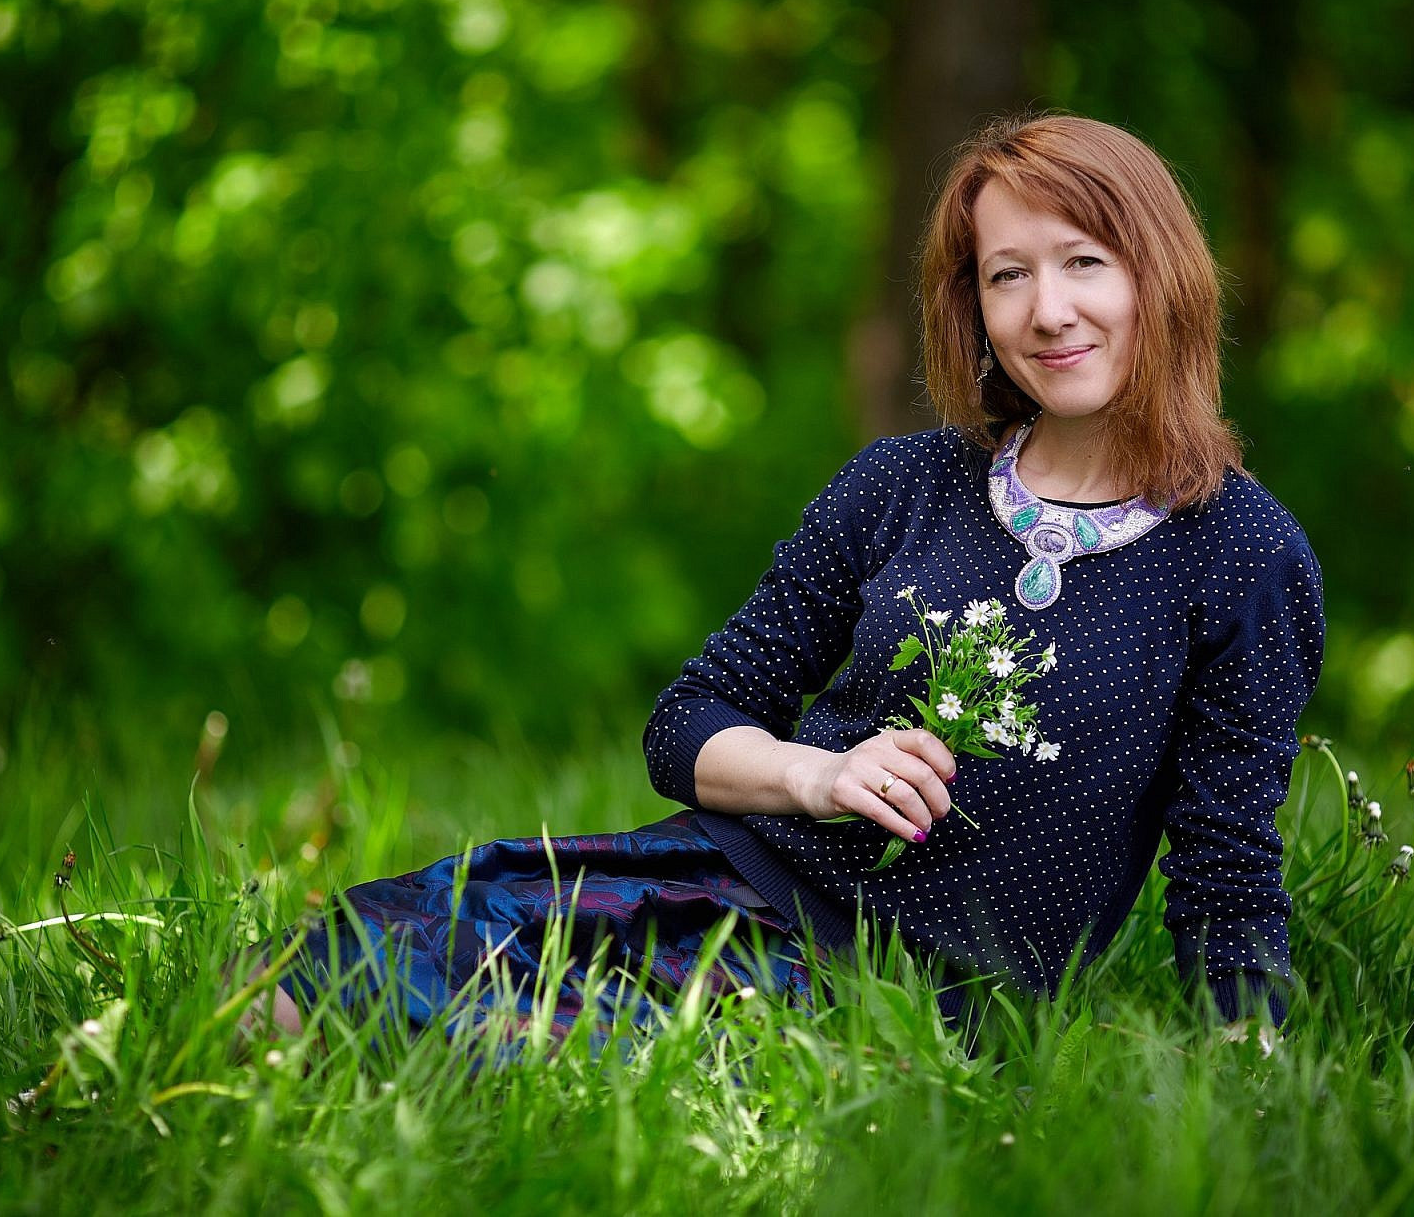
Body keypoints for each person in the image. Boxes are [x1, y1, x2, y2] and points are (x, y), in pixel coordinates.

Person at [242, 110, 1322, 1054]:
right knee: (331, 971)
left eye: (1083, 261)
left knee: (519, 1052)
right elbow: (687, 723)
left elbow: (1224, 867)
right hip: (718, 882)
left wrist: (1248, 1063)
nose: (1046, 310)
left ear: (1158, 275)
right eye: (1007, 273)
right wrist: (818, 773)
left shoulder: (1239, 554)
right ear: (973, 306)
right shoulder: (901, 483)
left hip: (902, 1003)